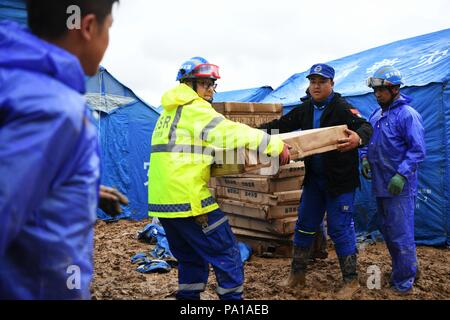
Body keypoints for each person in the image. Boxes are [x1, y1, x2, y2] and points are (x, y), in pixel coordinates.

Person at [0, 0, 119, 299]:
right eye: (109, 28)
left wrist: (78, 189)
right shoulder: (55, 110)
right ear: (89, 27)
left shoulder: (16, 81)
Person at [147, 57, 290, 300]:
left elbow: (186, 150)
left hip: (164, 204)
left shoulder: (169, 113)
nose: (211, 90)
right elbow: (230, 133)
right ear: (189, 85)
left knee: (191, 258)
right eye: (205, 84)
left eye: (212, 84)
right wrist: (274, 145)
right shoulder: (195, 108)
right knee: (227, 252)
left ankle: (188, 301)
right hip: (188, 200)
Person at [259, 63, 373, 299]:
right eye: (313, 82)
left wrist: (358, 139)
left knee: (340, 228)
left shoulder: (341, 107)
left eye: (321, 82)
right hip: (314, 181)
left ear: (331, 84)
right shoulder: (306, 109)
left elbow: (365, 126)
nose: (316, 86)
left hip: (339, 182)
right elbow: (280, 126)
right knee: (304, 224)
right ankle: (297, 274)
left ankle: (350, 281)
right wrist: (253, 134)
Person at [361, 65, 426, 294]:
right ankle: (406, 269)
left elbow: (417, 150)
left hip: (399, 187)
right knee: (388, 232)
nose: (377, 95)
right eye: (375, 91)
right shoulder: (376, 114)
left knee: (401, 235)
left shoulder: (408, 115)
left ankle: (404, 283)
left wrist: (401, 174)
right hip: (380, 184)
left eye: (381, 90)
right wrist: (365, 158)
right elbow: (367, 140)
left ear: (395, 89)